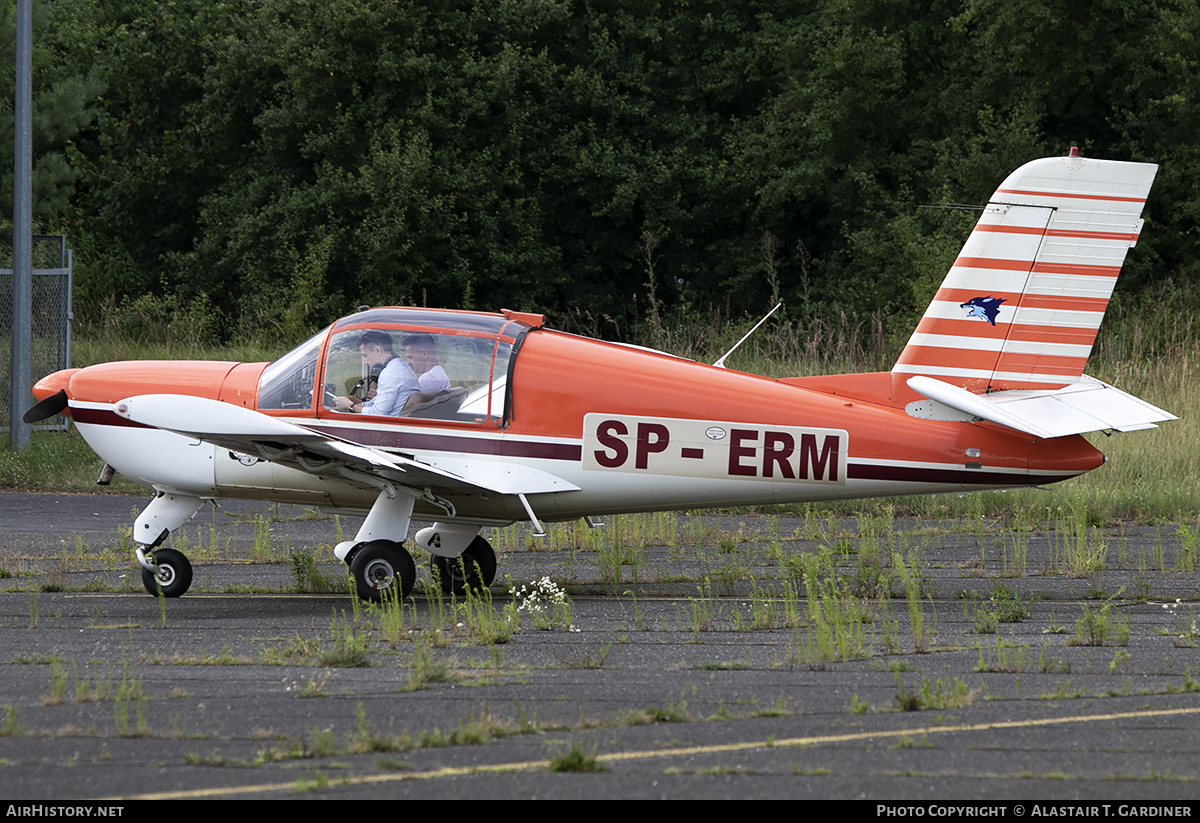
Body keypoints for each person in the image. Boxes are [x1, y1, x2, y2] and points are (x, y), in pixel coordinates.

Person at [332, 330, 417, 415]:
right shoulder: (401, 368)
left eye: (365, 355)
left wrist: (350, 405)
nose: (365, 362)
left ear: (378, 350)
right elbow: (375, 405)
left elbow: (377, 413)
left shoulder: (390, 374)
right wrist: (353, 403)